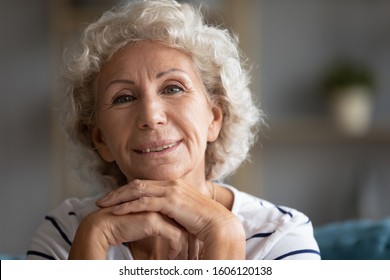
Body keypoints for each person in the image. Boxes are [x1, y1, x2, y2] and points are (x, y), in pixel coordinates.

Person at [27, 0, 320, 260]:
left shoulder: (281, 237)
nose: (151, 117)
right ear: (101, 139)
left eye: (173, 88)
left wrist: (225, 237)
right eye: (124, 98)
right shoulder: (66, 232)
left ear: (214, 119)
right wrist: (92, 242)